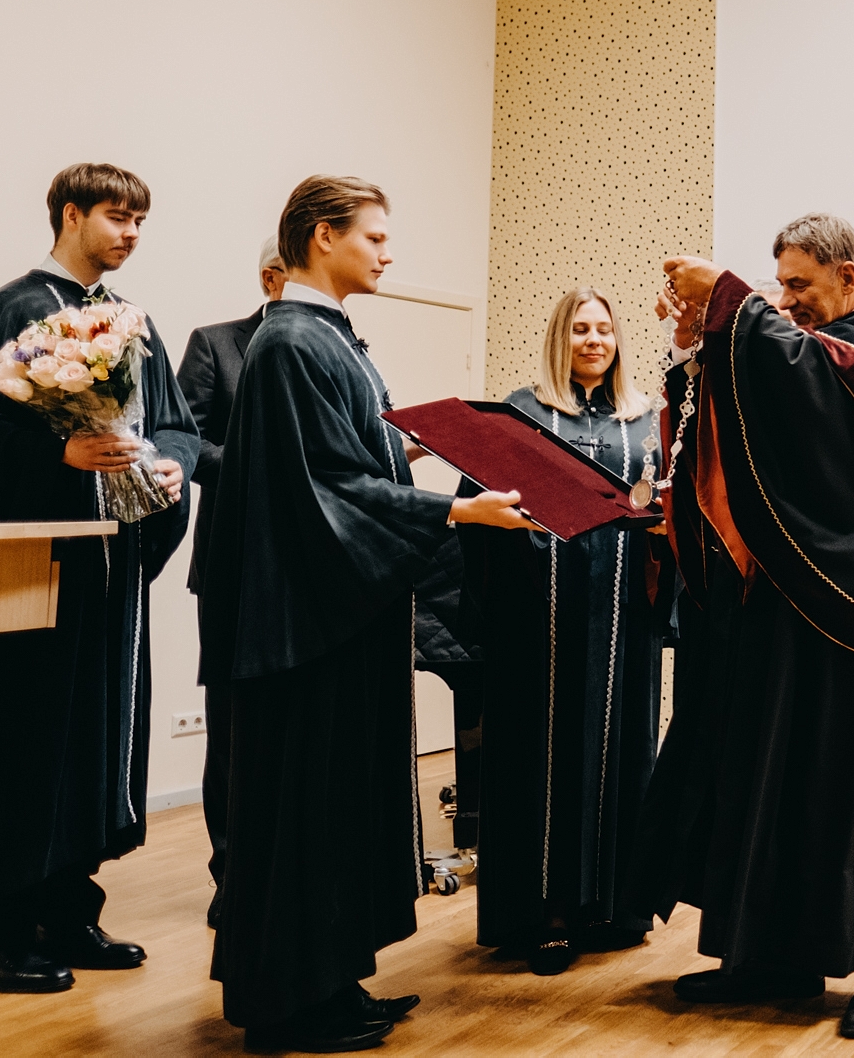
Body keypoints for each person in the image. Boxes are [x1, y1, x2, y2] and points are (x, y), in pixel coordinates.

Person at [204, 176, 538, 1053]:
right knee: (305, 810)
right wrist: (456, 509)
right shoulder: (292, 343)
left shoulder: (325, 338)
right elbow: (323, 488)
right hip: (305, 630)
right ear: (322, 236)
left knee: (335, 807)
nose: (389, 253)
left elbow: (346, 461)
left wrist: (410, 447)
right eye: (376, 237)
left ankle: (332, 979)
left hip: (336, 621)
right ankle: (289, 1004)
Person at [630, 214, 854, 1040]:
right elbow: (749, 417)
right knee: (770, 780)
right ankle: (770, 958)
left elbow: (814, 380)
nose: (788, 299)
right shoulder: (802, 342)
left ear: (847, 275)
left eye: (801, 283)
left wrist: (730, 297)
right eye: (781, 284)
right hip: (783, 601)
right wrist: (698, 340)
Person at [0, 163, 197, 993]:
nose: (131, 233)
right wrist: (59, 452)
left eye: (140, 220)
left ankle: (70, 910)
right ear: (70, 215)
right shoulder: (9, 313)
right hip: (35, 578)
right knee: (26, 746)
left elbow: (177, 424)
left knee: (95, 745)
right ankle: (0, 930)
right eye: (116, 216)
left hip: (108, 577)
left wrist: (173, 465)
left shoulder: (131, 321)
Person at [456, 286, 667, 976]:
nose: (593, 340)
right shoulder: (522, 412)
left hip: (621, 621)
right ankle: (542, 911)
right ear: (559, 338)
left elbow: (667, 506)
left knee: (619, 747)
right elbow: (478, 509)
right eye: (580, 329)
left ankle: (612, 906)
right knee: (540, 760)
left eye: (604, 328)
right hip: (538, 623)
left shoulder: (647, 421)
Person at [176, 235, 286, 929]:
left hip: (309, 569)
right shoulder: (215, 344)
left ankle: (286, 875)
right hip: (233, 565)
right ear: (273, 277)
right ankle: (233, 875)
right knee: (233, 728)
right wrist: (260, 467)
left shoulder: (340, 346)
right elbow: (182, 442)